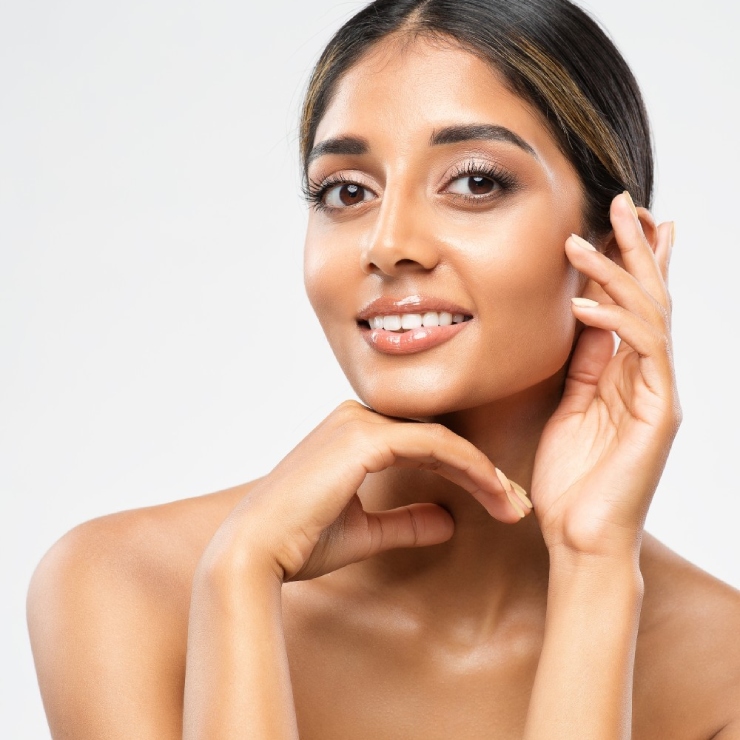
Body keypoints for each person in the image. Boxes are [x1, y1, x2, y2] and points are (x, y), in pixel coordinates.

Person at [27, 0, 740, 737]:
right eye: (347, 191)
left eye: (475, 182)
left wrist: (593, 567)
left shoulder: (723, 675)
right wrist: (240, 579)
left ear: (618, 256)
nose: (388, 241)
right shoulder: (123, 588)